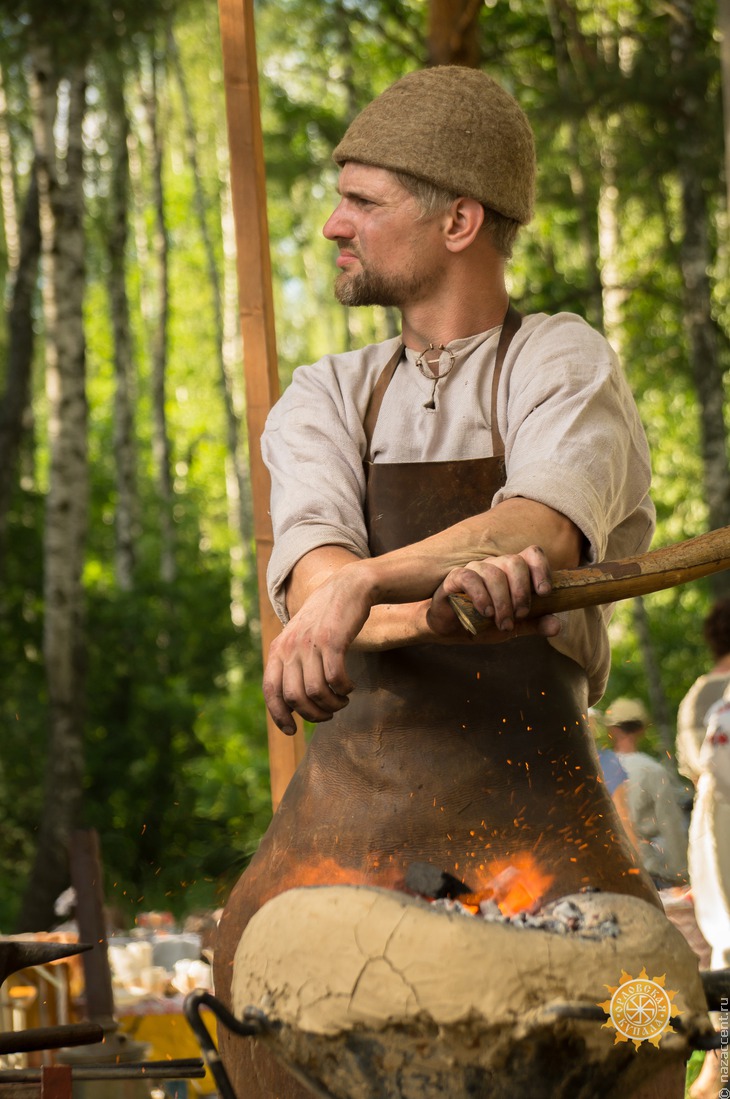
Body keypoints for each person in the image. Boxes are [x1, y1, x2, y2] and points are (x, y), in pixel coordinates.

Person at [215, 66, 678, 1099]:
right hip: (338, 856)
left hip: (547, 848)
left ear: (459, 218)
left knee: (643, 1013)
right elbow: (317, 566)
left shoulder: (560, 359)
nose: (335, 226)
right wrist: (378, 594)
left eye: (364, 202)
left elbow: (538, 524)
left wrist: (364, 592)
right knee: (250, 996)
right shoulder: (323, 396)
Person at [604, 697, 688, 887]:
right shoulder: (652, 770)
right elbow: (670, 823)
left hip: (611, 869)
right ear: (642, 729)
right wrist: (681, 873)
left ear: (612, 730)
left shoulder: (598, 769)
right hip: (650, 871)